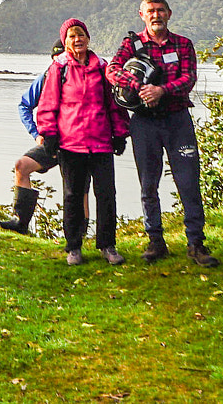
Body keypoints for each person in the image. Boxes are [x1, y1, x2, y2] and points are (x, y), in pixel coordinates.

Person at [105, 0, 219, 267]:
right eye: (150, 11)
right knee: (148, 184)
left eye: (160, 10)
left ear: (169, 13)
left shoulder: (183, 44)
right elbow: (112, 70)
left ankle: (196, 243)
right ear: (142, 15)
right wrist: (139, 88)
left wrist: (161, 90)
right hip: (144, 122)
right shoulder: (131, 45)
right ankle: (155, 240)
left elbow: (188, 77)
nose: (156, 15)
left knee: (189, 182)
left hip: (177, 120)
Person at [36, 19, 131, 265]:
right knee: (73, 196)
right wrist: (49, 134)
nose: (77, 40)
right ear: (65, 42)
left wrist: (120, 133)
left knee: (106, 195)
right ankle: (74, 247)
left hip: (100, 143)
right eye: (71, 37)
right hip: (70, 144)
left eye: (80, 35)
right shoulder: (59, 68)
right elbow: (47, 105)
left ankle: (108, 246)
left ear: (88, 38)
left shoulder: (102, 67)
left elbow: (114, 105)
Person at [0, 41, 69, 235]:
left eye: (62, 56)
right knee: (22, 166)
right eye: (55, 58)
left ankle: (79, 234)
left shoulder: (83, 75)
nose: (59, 61)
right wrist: (36, 134)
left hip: (78, 143)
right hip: (51, 142)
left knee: (76, 188)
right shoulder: (46, 77)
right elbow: (24, 105)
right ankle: (20, 223)